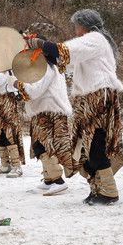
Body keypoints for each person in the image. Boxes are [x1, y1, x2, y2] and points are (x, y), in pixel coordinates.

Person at [35, 10, 123, 205]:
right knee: (88, 147)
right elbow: (64, 61)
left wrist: (41, 44)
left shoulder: (95, 38)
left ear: (84, 25)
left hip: (99, 98)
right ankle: (98, 189)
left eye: (76, 25)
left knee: (96, 143)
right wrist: (45, 54)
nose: (75, 29)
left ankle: (109, 192)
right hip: (90, 99)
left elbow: (65, 51)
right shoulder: (92, 43)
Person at [16, 62, 73, 196]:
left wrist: (16, 83)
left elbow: (34, 91)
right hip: (43, 111)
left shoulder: (47, 67)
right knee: (39, 145)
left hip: (49, 111)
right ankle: (49, 180)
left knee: (44, 146)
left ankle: (58, 181)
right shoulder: (43, 66)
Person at [0, 70, 25, 177]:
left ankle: (16, 166)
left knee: (9, 134)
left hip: (7, 104)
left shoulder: (7, 72)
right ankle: (5, 164)